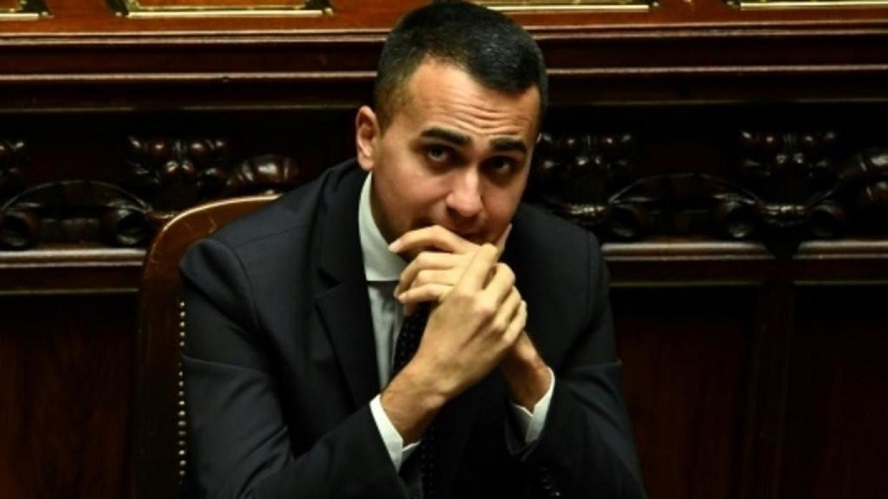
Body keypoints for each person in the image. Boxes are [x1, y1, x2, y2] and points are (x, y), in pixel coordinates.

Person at [179, 1, 647, 498]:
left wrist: (523, 364)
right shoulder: (243, 276)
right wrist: (425, 383)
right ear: (369, 138)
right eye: (439, 154)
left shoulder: (567, 267)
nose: (468, 203)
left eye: (501, 165)